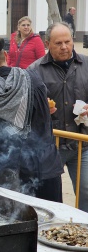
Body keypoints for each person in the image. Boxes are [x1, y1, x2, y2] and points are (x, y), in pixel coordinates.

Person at [0, 38, 63, 201]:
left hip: (10, 175)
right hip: (46, 166)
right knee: (52, 223)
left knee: (20, 223)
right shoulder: (33, 78)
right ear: (5, 55)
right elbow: (42, 118)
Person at [28, 22, 88, 212]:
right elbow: (24, 109)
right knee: (50, 196)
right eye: (58, 43)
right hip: (50, 145)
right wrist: (40, 109)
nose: (64, 47)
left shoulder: (86, 64)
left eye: (67, 42)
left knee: (86, 191)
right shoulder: (34, 71)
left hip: (82, 142)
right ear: (47, 44)